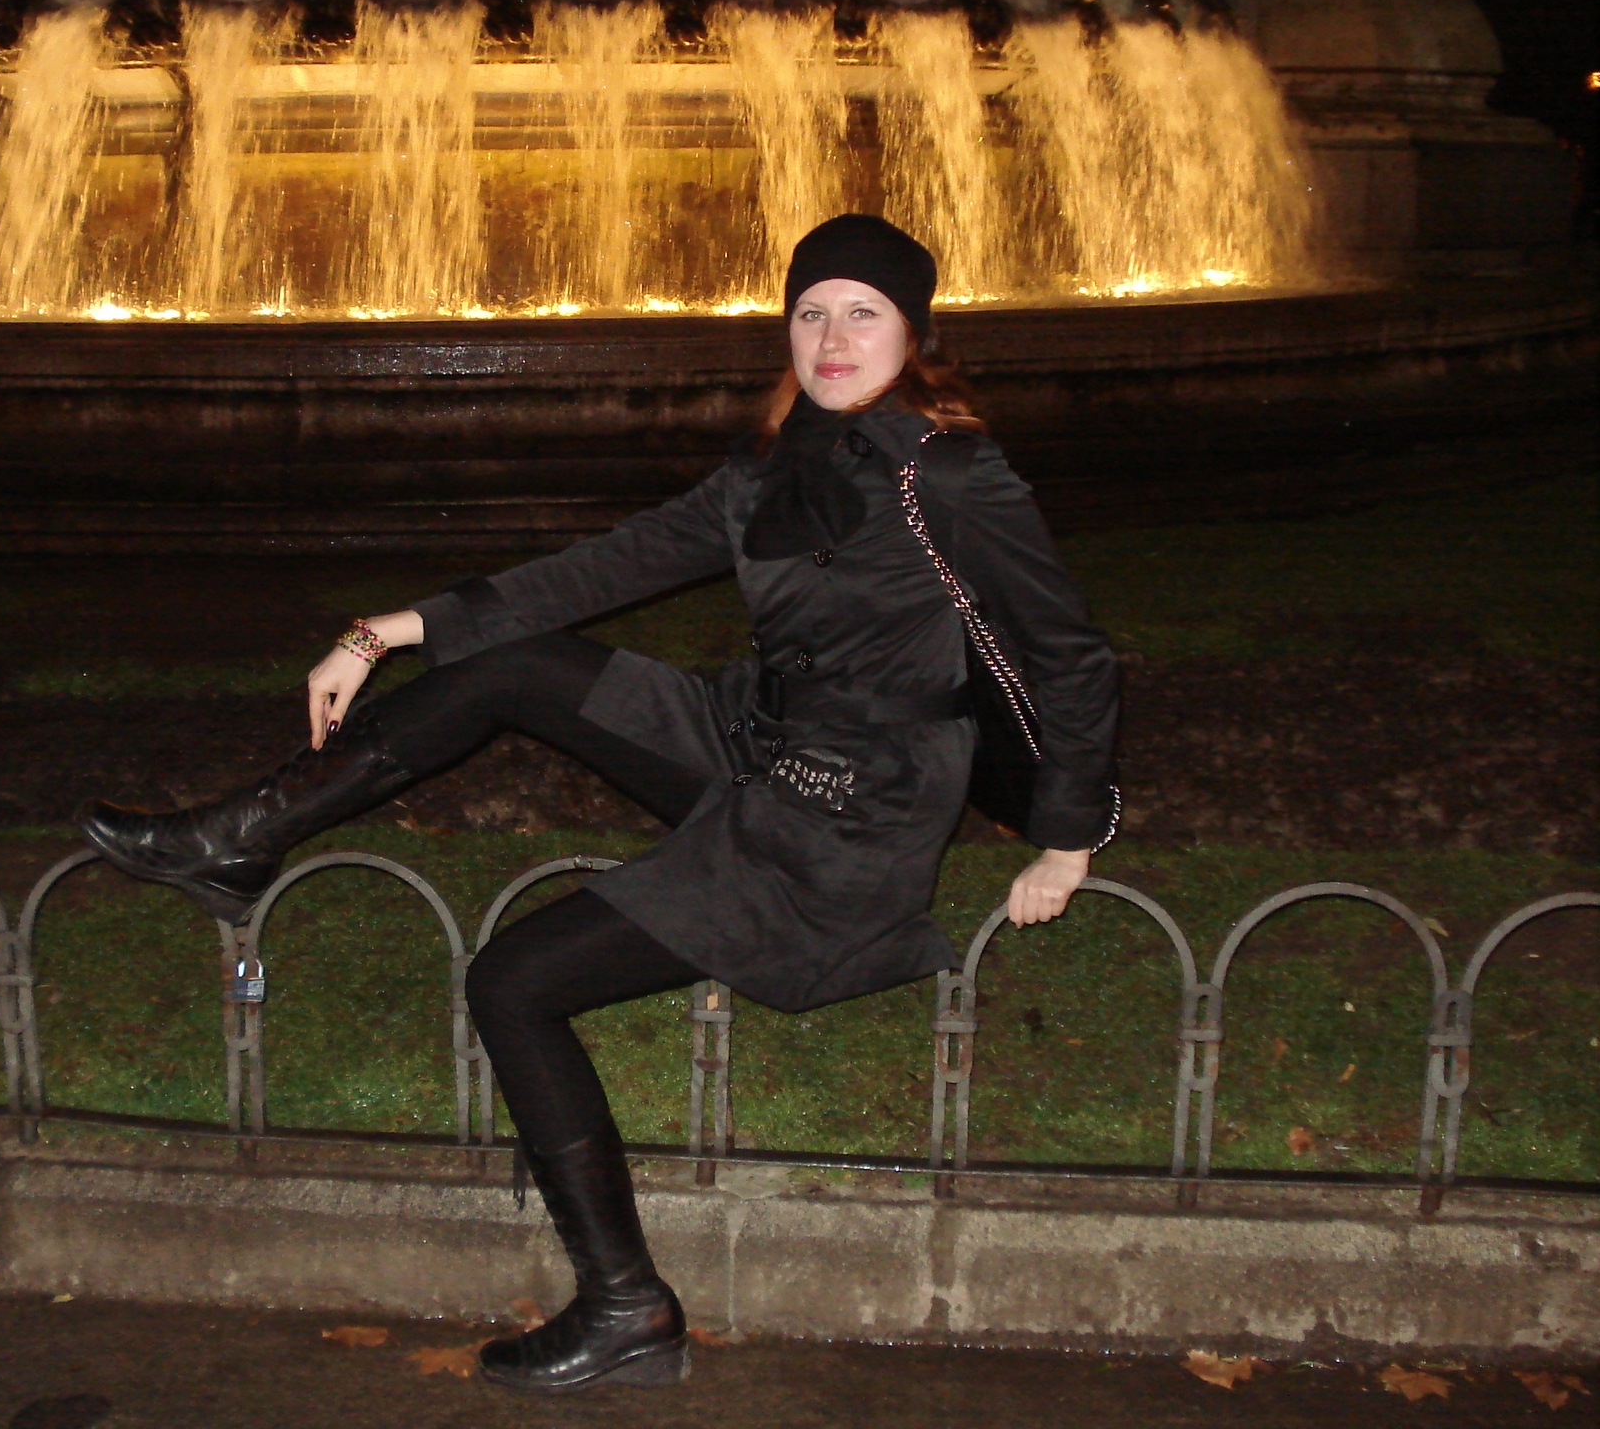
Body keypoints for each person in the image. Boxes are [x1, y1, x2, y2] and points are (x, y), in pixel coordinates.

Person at [76, 214, 1120, 1393]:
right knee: (516, 664)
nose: (830, 337)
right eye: (809, 312)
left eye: (861, 314)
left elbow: (1069, 656)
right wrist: (380, 632)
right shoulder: (767, 474)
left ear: (912, 335)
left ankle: (625, 1305)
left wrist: (1065, 841)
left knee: (512, 983)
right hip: (749, 740)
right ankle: (237, 839)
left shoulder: (949, 473)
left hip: (847, 817)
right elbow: (603, 567)